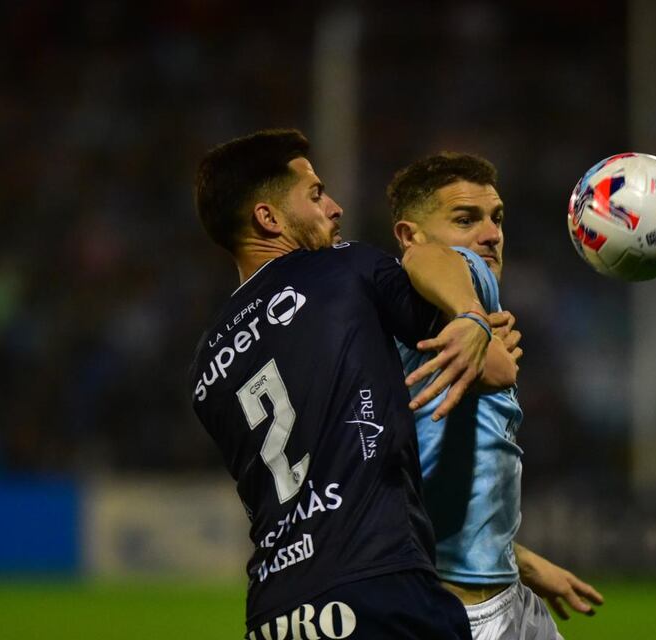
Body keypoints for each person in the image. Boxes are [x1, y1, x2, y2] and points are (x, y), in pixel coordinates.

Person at [189, 129, 504, 640]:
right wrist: (472, 316)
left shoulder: (206, 368)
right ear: (268, 219)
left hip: (273, 612)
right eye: (315, 195)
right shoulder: (343, 269)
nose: (334, 207)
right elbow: (429, 265)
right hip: (377, 586)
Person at [387, 152, 604, 640]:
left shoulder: (466, 321)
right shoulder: (451, 287)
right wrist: (470, 314)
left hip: (504, 593)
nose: (490, 234)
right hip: (461, 612)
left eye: (496, 218)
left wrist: (517, 560)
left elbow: (425, 489)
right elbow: (426, 257)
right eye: (465, 219)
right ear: (408, 232)